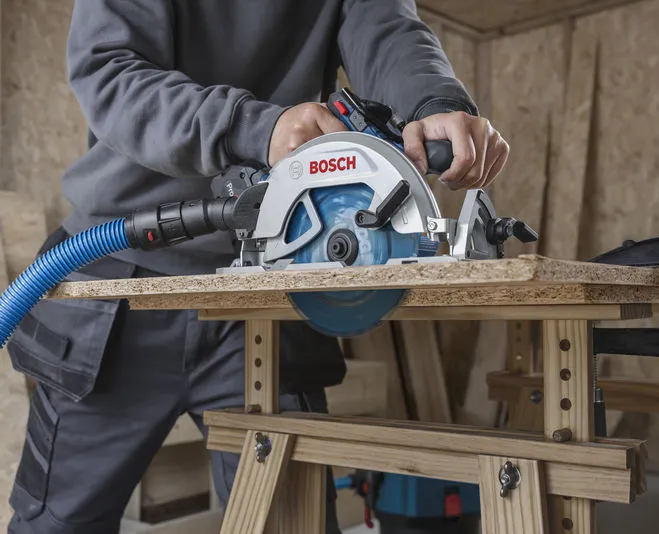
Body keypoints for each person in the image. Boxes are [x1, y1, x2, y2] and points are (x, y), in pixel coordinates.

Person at [5, 1, 510, 533]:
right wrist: (253, 127)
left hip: (265, 282)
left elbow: (389, 30)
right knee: (58, 524)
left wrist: (433, 102)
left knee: (293, 521)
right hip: (121, 276)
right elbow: (108, 71)